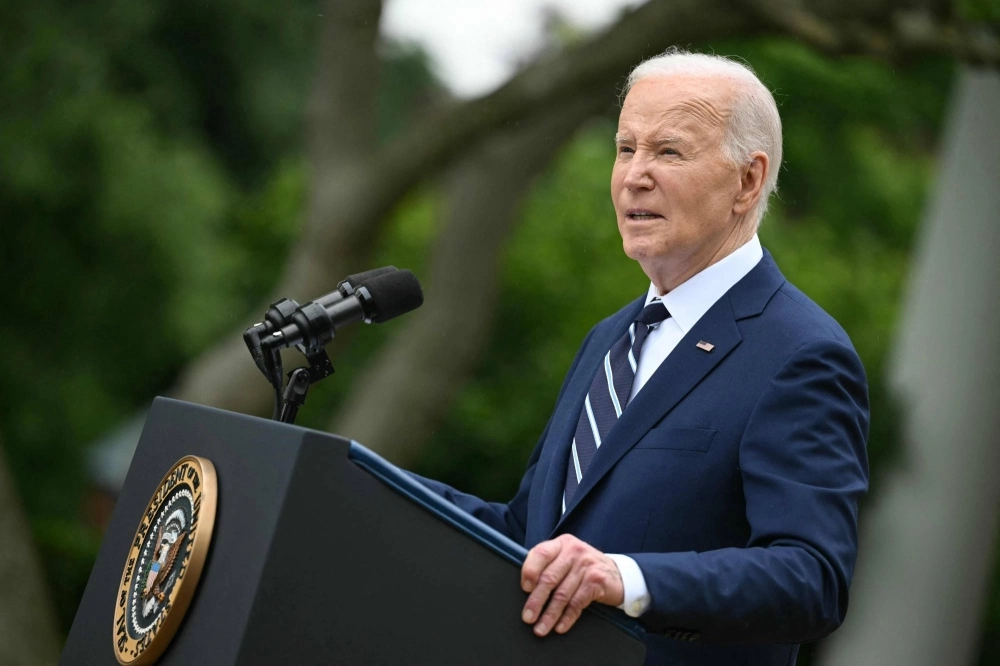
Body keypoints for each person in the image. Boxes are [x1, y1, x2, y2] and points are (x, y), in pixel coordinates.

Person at [415, 48, 869, 666]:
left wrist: (626, 580)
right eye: (626, 148)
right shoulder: (610, 338)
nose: (634, 175)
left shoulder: (801, 353)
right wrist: (359, 482)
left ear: (747, 181)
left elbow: (810, 578)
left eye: (669, 151)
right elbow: (532, 536)